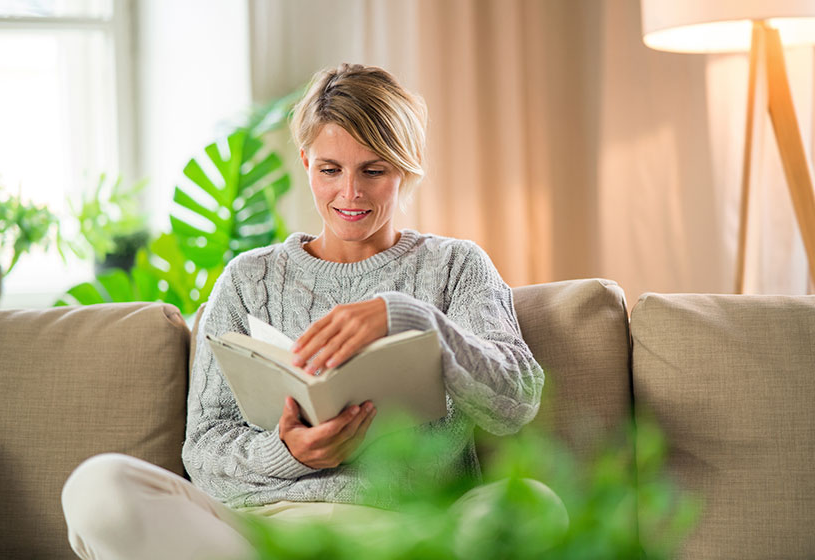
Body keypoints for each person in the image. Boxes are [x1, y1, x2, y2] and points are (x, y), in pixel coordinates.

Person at [61, 63, 554, 560]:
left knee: (534, 503)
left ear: (405, 167)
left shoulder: (455, 266)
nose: (350, 193)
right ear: (306, 162)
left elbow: (516, 403)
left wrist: (414, 320)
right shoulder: (248, 278)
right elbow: (204, 453)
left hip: (407, 534)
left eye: (373, 170)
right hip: (261, 536)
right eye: (330, 170)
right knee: (97, 486)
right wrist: (289, 452)